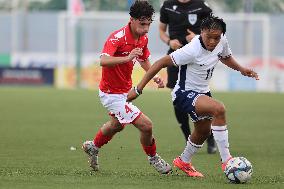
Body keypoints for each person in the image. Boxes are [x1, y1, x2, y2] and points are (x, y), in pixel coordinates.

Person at [127, 14, 259, 177]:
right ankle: (227, 161)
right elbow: (160, 63)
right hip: (184, 93)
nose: (212, 42)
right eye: (209, 37)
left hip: (202, 92)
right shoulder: (192, 50)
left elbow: (225, 57)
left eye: (216, 38)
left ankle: (183, 161)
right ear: (202, 32)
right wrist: (138, 88)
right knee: (219, 109)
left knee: (203, 130)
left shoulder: (221, 41)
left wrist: (241, 69)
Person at [82, 0, 172, 174]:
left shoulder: (142, 38)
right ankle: (153, 158)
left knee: (117, 125)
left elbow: (144, 59)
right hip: (110, 94)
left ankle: (93, 146)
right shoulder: (117, 37)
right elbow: (103, 60)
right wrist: (127, 58)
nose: (146, 29)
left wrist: (154, 77)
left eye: (148, 24)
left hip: (124, 92)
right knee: (146, 125)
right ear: (132, 19)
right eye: (142, 24)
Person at [159, 0, 217, 154]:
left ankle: (210, 138)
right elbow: (161, 31)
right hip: (176, 56)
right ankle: (188, 138)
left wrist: (198, 37)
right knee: (177, 99)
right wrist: (169, 42)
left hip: (197, 57)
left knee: (201, 98)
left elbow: (214, 30)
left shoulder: (201, 5)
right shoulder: (167, 5)